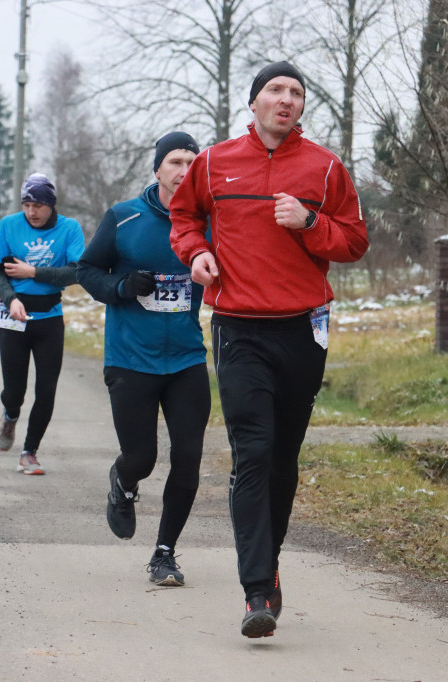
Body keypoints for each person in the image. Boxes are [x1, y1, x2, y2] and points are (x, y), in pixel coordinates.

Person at [169, 61, 369, 637]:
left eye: (296, 93)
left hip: (303, 329)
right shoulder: (213, 163)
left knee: (282, 458)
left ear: (302, 107)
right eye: (276, 91)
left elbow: (355, 240)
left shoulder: (325, 168)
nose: (286, 100)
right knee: (252, 451)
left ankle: (269, 564)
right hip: (238, 327)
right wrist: (195, 255)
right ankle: (257, 589)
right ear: (253, 102)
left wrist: (309, 221)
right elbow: (184, 217)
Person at [77, 132, 209, 587]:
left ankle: (165, 553)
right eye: (175, 160)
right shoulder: (125, 217)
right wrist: (120, 287)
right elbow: (86, 270)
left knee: (189, 456)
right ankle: (123, 479)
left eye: (193, 161)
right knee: (142, 456)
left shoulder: (209, 221)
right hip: (131, 358)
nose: (184, 168)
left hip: (187, 359)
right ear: (157, 169)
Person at [0, 173, 85, 476]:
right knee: (14, 390)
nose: (32, 212)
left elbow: (75, 272)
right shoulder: (8, 225)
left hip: (49, 319)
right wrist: (10, 299)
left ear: (51, 204)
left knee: (46, 389)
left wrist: (33, 272)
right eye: (27, 204)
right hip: (12, 318)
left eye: (39, 205)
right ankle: (10, 414)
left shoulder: (69, 229)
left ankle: (29, 452)